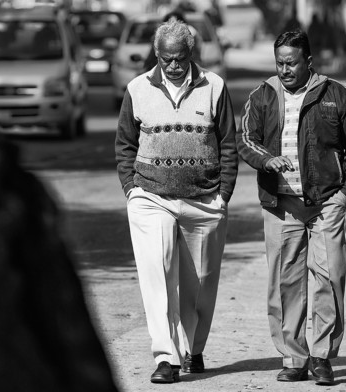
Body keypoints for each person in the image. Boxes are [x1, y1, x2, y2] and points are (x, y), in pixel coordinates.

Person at [236, 29, 346, 385]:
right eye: (279, 62)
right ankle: (293, 357)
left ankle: (322, 356)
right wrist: (267, 161)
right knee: (286, 284)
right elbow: (245, 140)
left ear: (308, 62)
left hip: (326, 204)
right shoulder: (262, 96)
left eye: (291, 63)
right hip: (282, 207)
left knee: (329, 278)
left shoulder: (336, 95)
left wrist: (343, 196)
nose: (284, 70)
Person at [115, 19, 237, 384]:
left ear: (191, 54)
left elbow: (228, 143)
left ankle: (192, 349)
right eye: (167, 59)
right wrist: (131, 189)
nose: (173, 66)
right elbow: (125, 144)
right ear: (157, 55)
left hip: (204, 201)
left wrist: (223, 195)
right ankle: (166, 357)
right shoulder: (137, 89)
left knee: (200, 284)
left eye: (180, 58)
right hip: (152, 198)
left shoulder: (214, 86)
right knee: (158, 273)